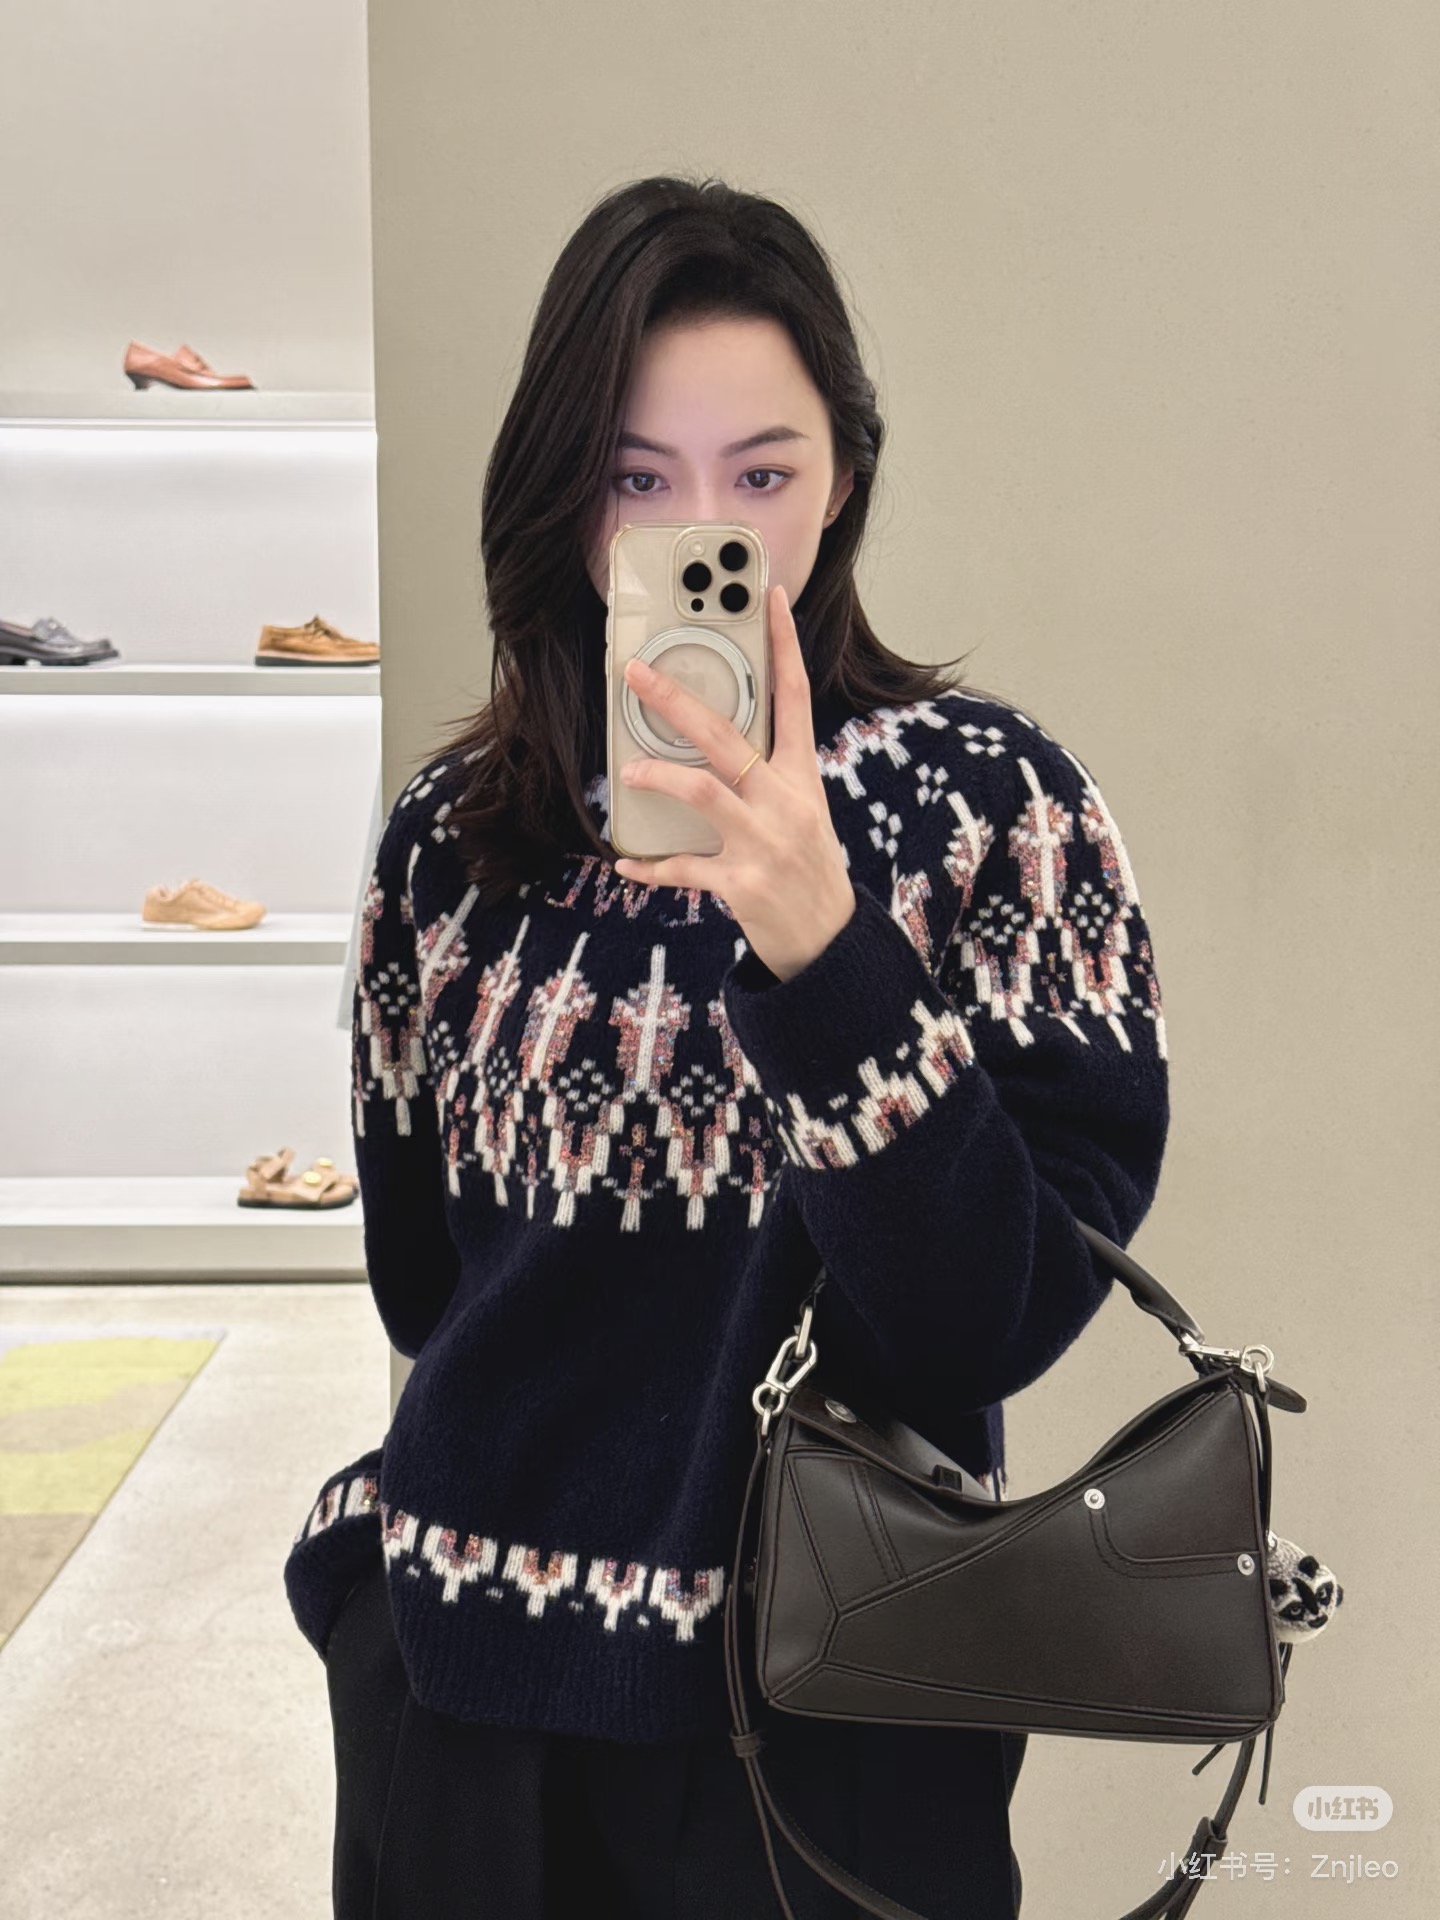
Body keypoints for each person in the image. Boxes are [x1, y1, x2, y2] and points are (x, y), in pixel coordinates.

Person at [284, 173, 1171, 1918]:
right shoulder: (452, 836)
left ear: (843, 478)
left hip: (842, 1725)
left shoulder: (999, 815)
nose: (709, 532)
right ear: (566, 494)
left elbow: (997, 1318)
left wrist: (826, 948)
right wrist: (368, 1607)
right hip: (460, 1712)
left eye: (762, 475)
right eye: (640, 479)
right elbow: (423, 1284)